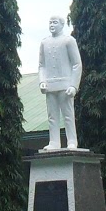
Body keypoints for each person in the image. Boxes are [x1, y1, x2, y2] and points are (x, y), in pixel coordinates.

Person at [38, 15, 82, 150]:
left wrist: (74, 85)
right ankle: (54, 142)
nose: (52, 25)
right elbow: (42, 65)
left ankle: (72, 141)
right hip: (50, 86)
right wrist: (42, 81)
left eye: (55, 22)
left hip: (65, 84)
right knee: (52, 116)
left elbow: (77, 64)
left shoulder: (69, 41)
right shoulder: (44, 42)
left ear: (62, 24)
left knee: (68, 115)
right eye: (50, 22)